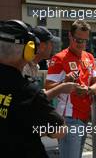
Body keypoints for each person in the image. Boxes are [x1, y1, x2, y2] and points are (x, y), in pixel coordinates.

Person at [0, 20, 76, 158]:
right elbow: (60, 130)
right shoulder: (28, 90)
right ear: (30, 49)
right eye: (49, 43)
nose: (52, 46)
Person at [45, 20, 96, 158]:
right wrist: (65, 82)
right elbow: (48, 89)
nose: (81, 44)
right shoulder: (59, 58)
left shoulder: (89, 57)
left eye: (84, 41)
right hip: (69, 118)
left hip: (84, 117)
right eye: (78, 40)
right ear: (70, 36)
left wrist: (87, 89)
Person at [23, 26, 76, 101]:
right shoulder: (24, 67)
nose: (52, 47)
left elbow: (33, 95)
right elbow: (29, 99)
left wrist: (63, 83)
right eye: (50, 43)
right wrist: (61, 88)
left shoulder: (34, 66)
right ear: (41, 45)